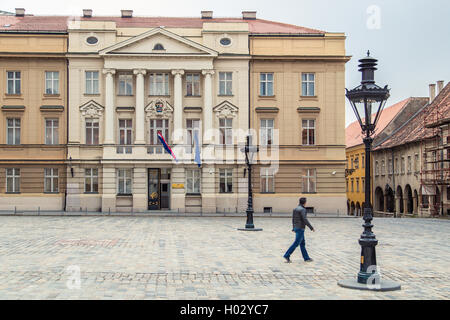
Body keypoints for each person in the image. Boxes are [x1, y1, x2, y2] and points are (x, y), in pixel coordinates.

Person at [283, 197, 315, 263]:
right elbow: (305, 219)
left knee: (302, 243)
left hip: (297, 227)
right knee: (296, 243)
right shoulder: (303, 210)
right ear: (305, 203)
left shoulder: (295, 209)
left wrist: (293, 227)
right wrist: (311, 227)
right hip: (300, 228)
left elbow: (293, 219)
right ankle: (287, 255)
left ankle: (306, 258)